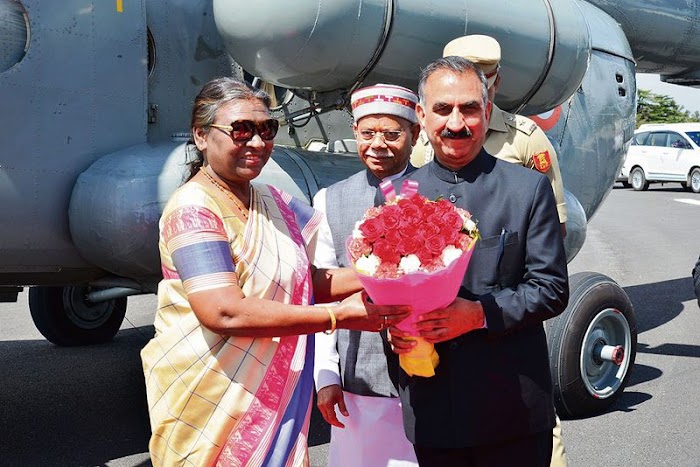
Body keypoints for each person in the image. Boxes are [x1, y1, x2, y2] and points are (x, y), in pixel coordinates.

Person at [140, 77, 411, 467]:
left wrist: (386, 272)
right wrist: (338, 317)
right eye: (241, 130)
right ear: (201, 136)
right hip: (213, 397)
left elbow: (310, 279)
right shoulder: (194, 210)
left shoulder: (273, 200)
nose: (257, 142)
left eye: (267, 129)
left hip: (274, 391)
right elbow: (224, 312)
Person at [388, 57, 569, 466]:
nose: (457, 123)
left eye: (469, 108)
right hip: (432, 409)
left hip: (511, 412)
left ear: (487, 112)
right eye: (442, 109)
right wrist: (392, 330)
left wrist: (477, 314)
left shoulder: (527, 189)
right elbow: (385, 288)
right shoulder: (398, 198)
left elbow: (551, 289)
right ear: (420, 114)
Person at [313, 83, 421, 466]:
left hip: (429, 375)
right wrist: (326, 377)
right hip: (358, 376)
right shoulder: (329, 199)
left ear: (415, 134)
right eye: (367, 132)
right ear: (354, 132)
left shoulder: (436, 193)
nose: (378, 144)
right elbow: (323, 292)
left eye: (392, 134)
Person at [410, 34, 568, 237]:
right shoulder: (427, 142)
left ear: (496, 83)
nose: (456, 124)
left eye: (474, 99)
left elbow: (554, 226)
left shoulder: (525, 138)